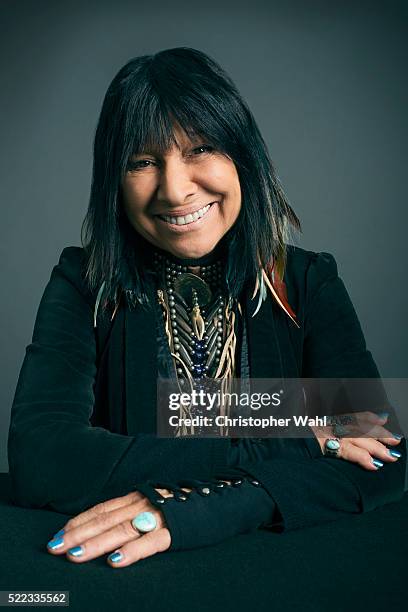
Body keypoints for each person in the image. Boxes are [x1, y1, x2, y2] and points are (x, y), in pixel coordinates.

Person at [7, 47, 405, 568]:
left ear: (243, 155)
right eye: (143, 161)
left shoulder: (308, 280)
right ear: (114, 181)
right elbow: (43, 457)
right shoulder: (84, 282)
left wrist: (205, 508)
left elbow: (382, 457)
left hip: (278, 576)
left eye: (200, 149)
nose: (174, 190)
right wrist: (297, 438)